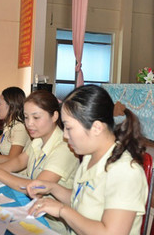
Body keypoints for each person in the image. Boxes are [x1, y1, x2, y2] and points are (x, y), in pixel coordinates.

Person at [26, 85, 148, 235]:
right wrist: (52, 188)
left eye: (69, 128)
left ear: (96, 127)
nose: (65, 135)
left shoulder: (125, 172)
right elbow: (82, 199)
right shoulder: (91, 157)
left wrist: (62, 210)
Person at [0, 90, 79, 234]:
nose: (29, 124)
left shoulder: (64, 148)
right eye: (26, 117)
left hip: (52, 224)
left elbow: (37, 188)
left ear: (54, 116)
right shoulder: (39, 139)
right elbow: (18, 162)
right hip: (32, 209)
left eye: (36, 117)